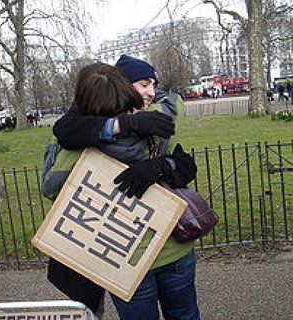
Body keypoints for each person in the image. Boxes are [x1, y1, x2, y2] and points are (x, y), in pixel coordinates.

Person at [46, 55, 200, 320]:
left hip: (120, 256)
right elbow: (185, 164)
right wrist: (164, 165)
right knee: (185, 315)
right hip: (172, 246)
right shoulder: (158, 123)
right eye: (143, 84)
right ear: (124, 88)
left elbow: (52, 187)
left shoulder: (78, 144)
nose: (150, 92)